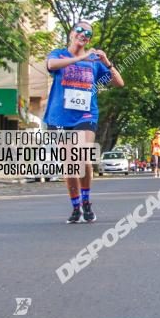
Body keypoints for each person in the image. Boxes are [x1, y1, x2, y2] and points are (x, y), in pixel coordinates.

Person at [45, 20, 124, 224]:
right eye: (79, 30)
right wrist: (80, 57)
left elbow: (118, 83)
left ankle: (87, 201)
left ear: (90, 39)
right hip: (59, 116)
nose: (83, 34)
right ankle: (76, 206)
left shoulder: (95, 62)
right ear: (72, 33)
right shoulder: (59, 54)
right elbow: (51, 65)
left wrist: (106, 62)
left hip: (86, 115)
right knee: (69, 164)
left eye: (87, 33)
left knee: (83, 157)